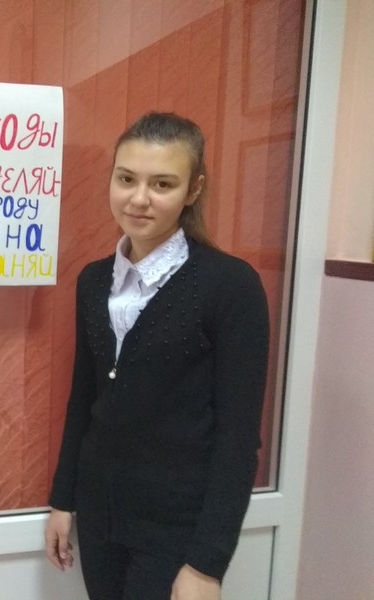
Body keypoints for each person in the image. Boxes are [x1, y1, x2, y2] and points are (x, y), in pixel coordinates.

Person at [44, 112, 269, 600]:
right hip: (99, 518)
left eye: (162, 184)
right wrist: (63, 501)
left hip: (176, 531)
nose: (139, 198)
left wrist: (207, 564)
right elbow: (83, 400)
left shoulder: (231, 286)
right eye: (126, 179)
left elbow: (238, 438)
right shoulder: (93, 281)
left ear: (193, 190)